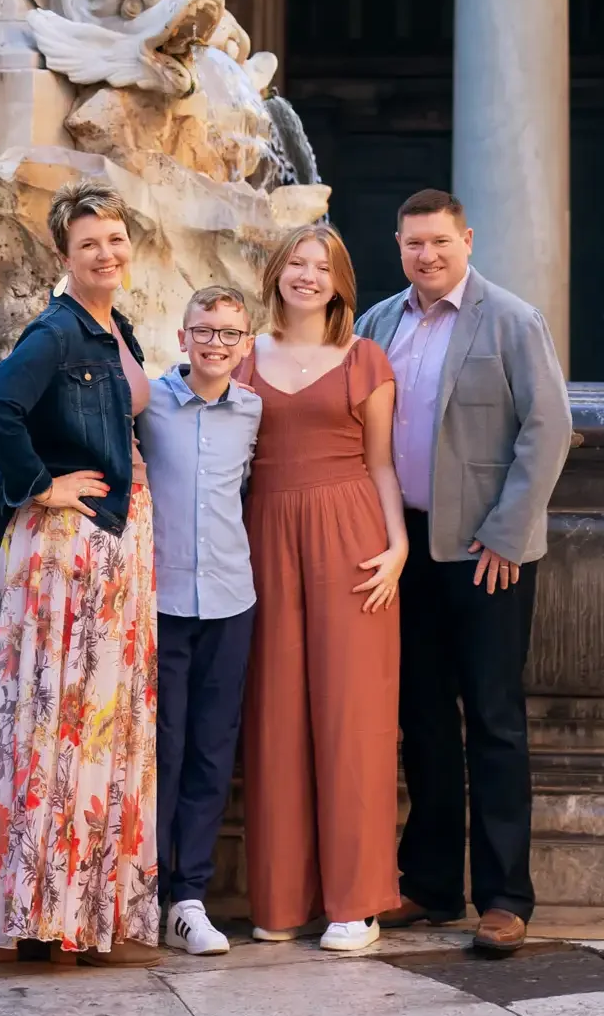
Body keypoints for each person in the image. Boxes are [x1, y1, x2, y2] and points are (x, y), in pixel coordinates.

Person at [0, 186, 158, 960]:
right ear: (63, 258)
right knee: (55, 724)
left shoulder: (113, 327)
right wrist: (42, 483)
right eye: (90, 243)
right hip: (71, 549)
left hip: (111, 543)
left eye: (116, 238)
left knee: (91, 725)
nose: (108, 253)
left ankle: (73, 910)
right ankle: (41, 912)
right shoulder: (58, 331)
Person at [358, 188, 574, 957]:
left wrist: (507, 538)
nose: (427, 256)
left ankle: (505, 897)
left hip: (487, 553)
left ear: (466, 240)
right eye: (414, 243)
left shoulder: (511, 319)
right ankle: (430, 885)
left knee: (491, 720)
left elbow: (548, 429)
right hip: (403, 548)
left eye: (439, 242)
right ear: (399, 244)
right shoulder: (377, 323)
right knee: (419, 719)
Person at [235, 221, 409, 953]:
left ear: (340, 282)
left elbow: (380, 464)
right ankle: (278, 897)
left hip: (351, 533)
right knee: (272, 715)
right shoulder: (241, 356)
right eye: (295, 263)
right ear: (275, 272)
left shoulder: (365, 358)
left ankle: (355, 901)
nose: (307, 275)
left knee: (351, 716)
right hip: (263, 531)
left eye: (321, 266)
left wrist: (397, 545)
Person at [139, 283, 262, 956]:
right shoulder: (148, 404)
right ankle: (146, 890)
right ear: (182, 336)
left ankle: (189, 898)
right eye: (204, 330)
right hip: (158, 601)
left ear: (246, 346)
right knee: (161, 747)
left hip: (229, 601)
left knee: (212, 752)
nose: (216, 343)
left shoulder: (253, 411)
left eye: (229, 334)